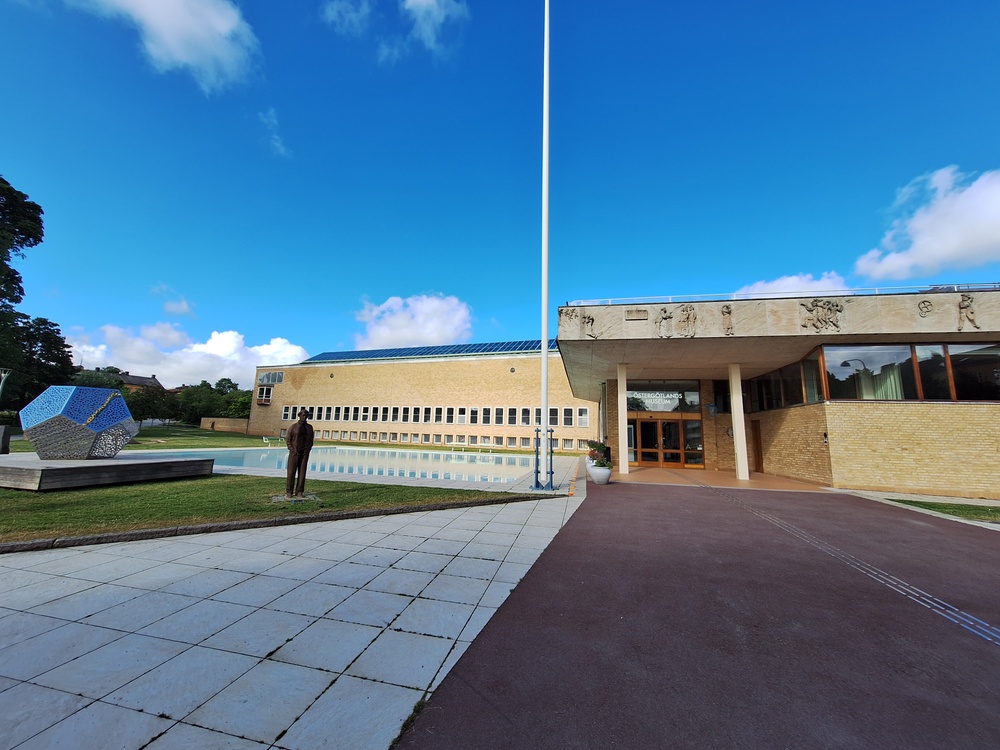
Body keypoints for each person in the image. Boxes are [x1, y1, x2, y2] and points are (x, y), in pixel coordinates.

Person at [285, 408, 314, 498]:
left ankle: (300, 491)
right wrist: (292, 449)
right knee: (291, 472)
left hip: (304, 453)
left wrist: (307, 449)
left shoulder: (309, 427)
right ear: (299, 416)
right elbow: (288, 440)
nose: (304, 417)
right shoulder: (293, 427)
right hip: (294, 452)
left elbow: (311, 440)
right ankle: (289, 491)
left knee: (302, 472)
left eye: (306, 416)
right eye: (303, 415)